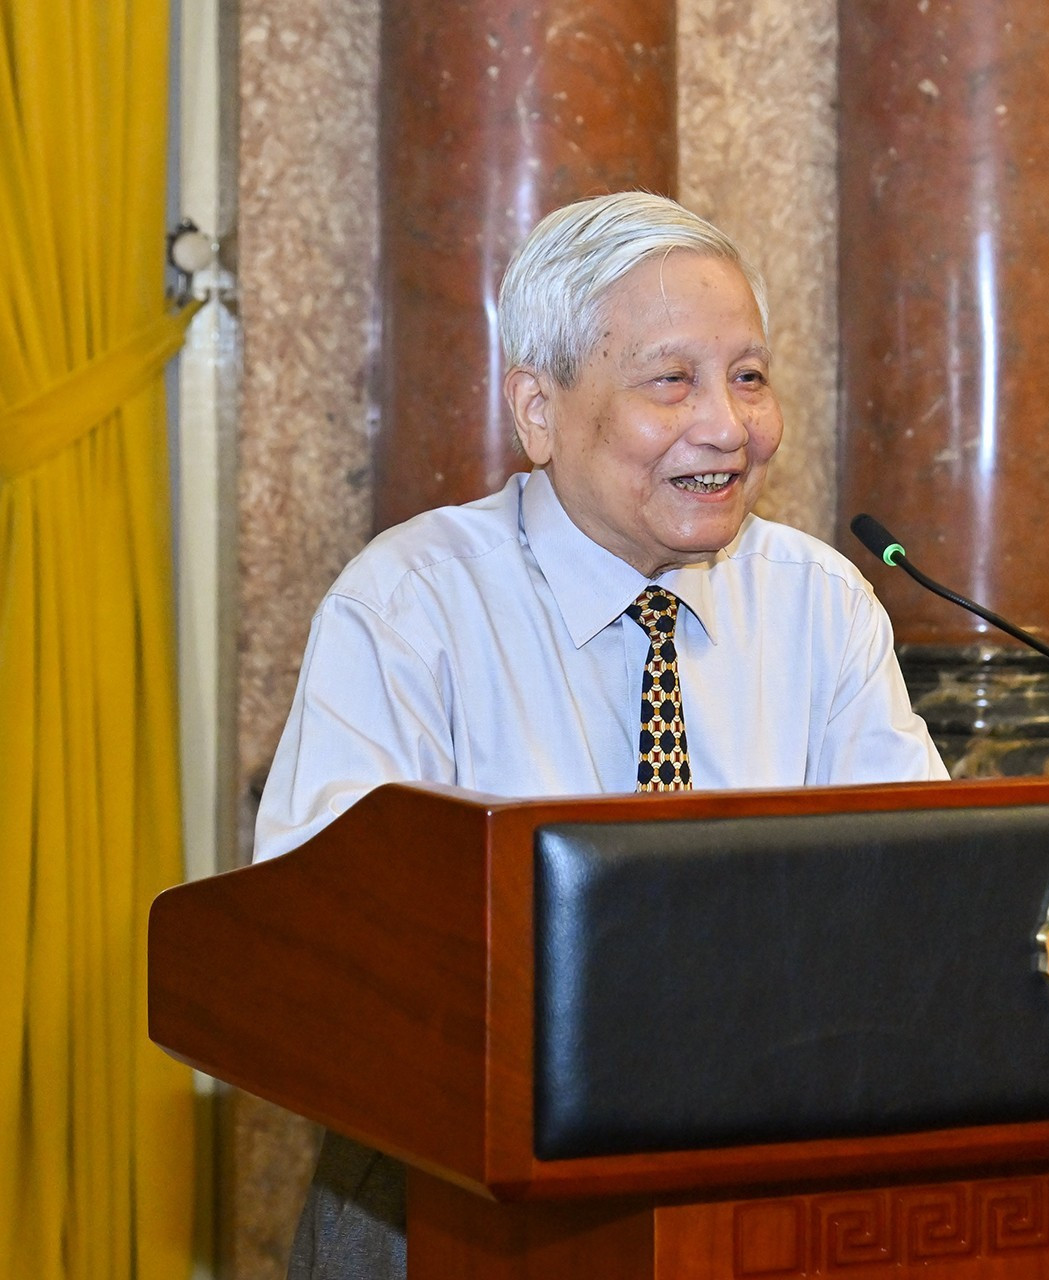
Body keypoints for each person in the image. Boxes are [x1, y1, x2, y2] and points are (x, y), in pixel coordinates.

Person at [259, 191, 947, 1278]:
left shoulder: (821, 602)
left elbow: (919, 898)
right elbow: (320, 953)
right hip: (452, 1201)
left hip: (761, 1182)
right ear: (538, 408)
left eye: (750, 374)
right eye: (671, 379)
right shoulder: (411, 603)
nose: (727, 423)